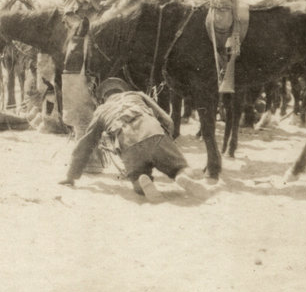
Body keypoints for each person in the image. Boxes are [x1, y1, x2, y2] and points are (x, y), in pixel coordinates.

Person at [58, 77, 209, 201]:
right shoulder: (138, 95)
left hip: (128, 143)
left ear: (103, 98)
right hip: (153, 132)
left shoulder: (101, 111)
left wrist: (71, 176)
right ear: (123, 89)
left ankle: (141, 181)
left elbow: (85, 144)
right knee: (178, 166)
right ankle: (181, 175)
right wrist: (168, 140)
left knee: (137, 175)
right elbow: (167, 120)